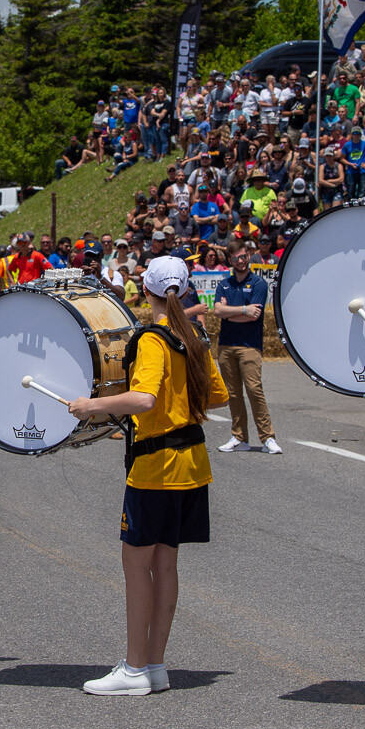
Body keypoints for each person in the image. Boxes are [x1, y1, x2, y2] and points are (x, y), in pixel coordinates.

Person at [68, 256, 228, 696]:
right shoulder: (192, 335)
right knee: (166, 563)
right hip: (193, 462)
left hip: (157, 467)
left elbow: (142, 400)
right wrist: (180, 406)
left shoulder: (154, 340)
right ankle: (155, 665)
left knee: (136, 565)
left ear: (145, 289)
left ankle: (135, 668)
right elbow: (218, 395)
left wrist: (92, 406)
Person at [211, 245, 277, 454]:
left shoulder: (258, 284)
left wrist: (230, 312)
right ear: (230, 259)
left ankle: (267, 437)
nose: (241, 260)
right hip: (226, 344)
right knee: (233, 393)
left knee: (254, 390)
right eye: (237, 257)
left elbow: (255, 314)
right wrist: (242, 310)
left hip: (250, 345)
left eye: (244, 256)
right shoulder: (224, 284)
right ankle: (239, 437)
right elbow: (217, 311)